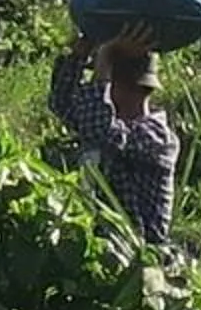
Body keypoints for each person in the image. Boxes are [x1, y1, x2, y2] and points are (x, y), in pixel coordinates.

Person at [50, 34, 179, 247]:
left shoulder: (158, 138)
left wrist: (103, 66)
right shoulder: (106, 121)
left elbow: (101, 130)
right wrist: (77, 58)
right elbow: (62, 104)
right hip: (104, 247)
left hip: (137, 255)